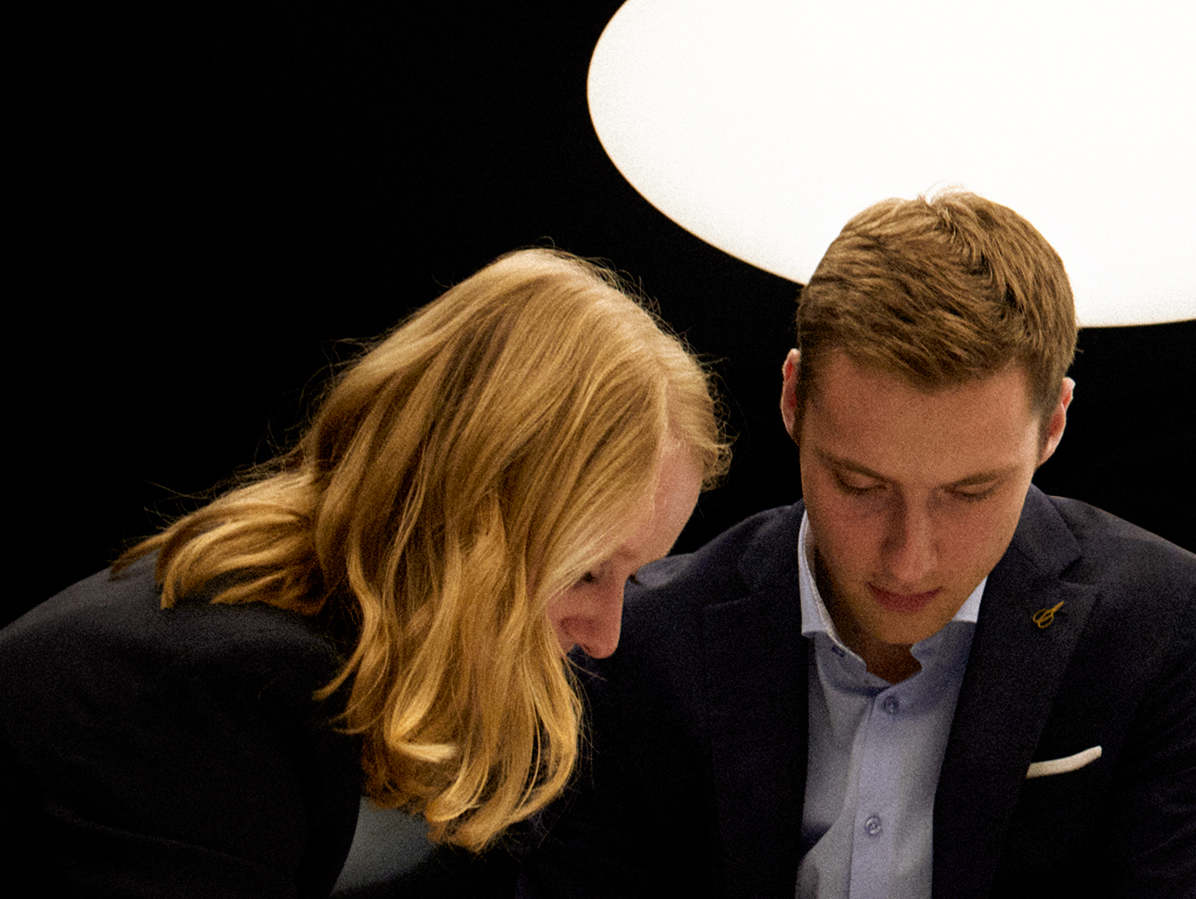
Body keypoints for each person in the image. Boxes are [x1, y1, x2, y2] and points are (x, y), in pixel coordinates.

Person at [521, 189, 1196, 899]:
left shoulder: (1159, 624)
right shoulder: (635, 637)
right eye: (860, 486)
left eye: (971, 493)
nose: (908, 560)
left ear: (1052, 425)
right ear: (793, 399)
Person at [0, 247, 726, 898]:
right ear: (468, 518)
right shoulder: (208, 692)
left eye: (634, 578)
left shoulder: (413, 669)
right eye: (586, 572)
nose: (605, 637)